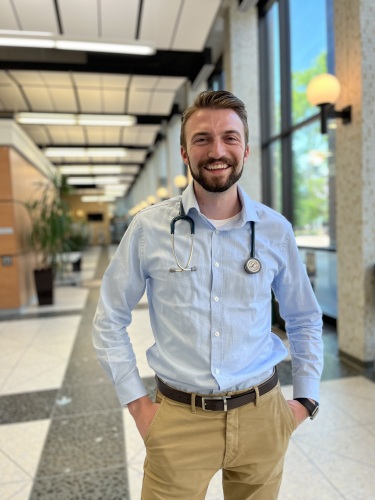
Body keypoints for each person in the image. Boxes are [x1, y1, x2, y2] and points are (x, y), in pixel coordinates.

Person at [92, 90, 323, 500]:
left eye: (229, 138)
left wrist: (305, 398)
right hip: (179, 419)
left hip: (262, 416)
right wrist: (139, 407)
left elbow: (303, 316)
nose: (217, 150)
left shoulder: (274, 230)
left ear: (246, 149)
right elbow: (109, 319)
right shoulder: (149, 230)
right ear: (184, 151)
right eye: (202, 139)